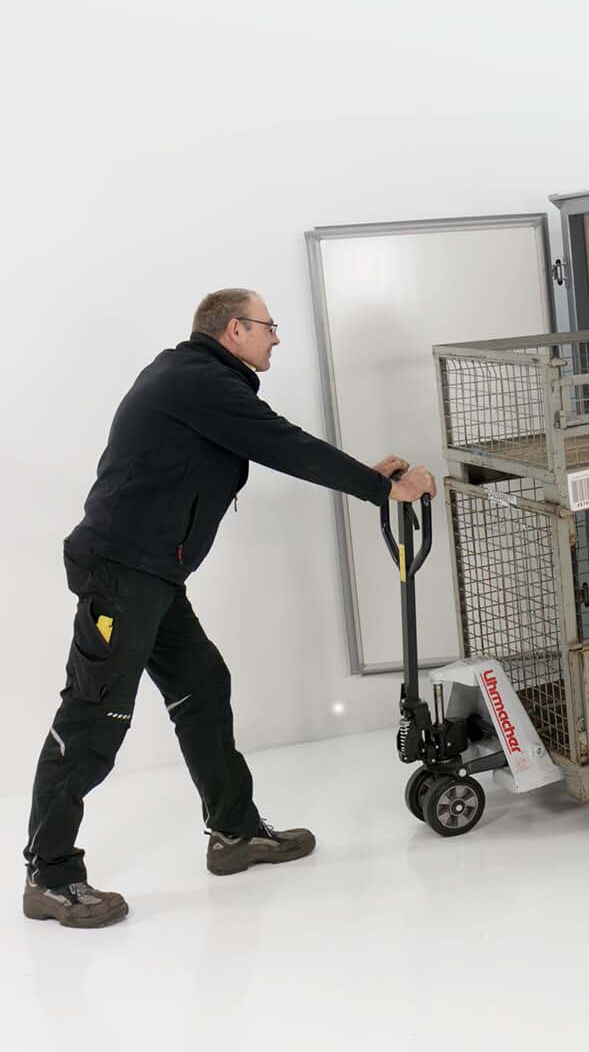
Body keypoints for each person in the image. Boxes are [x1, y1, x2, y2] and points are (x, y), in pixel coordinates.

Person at [23, 289, 438, 928]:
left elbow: (268, 443)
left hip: (151, 575)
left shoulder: (202, 379)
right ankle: (49, 877)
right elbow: (285, 445)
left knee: (203, 687)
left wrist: (369, 476)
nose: (277, 337)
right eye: (269, 326)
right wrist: (382, 489)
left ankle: (234, 833)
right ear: (235, 329)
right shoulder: (197, 381)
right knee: (94, 716)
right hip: (122, 574)